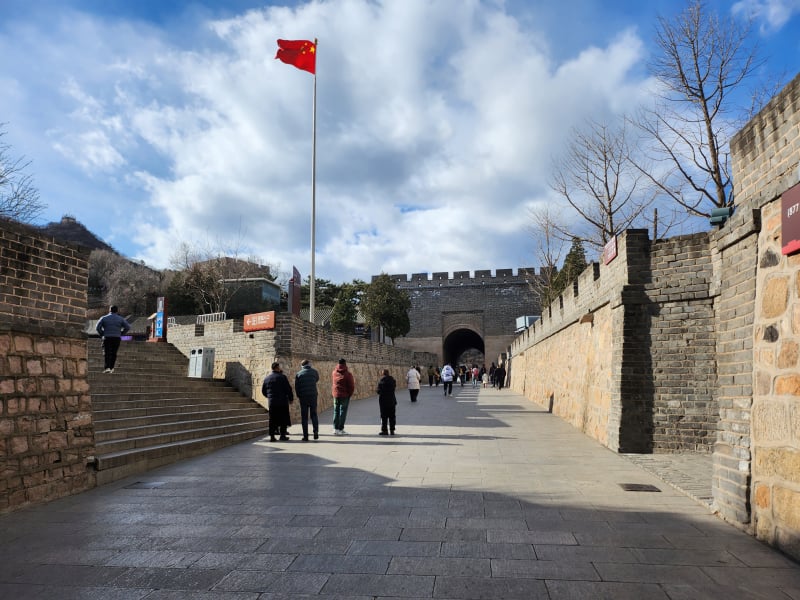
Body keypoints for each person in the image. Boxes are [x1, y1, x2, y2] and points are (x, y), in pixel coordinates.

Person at [262, 362, 293, 441]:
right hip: (282, 401)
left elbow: (263, 391)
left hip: (272, 402)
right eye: (279, 367)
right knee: (283, 418)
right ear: (277, 368)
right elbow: (288, 389)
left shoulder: (267, 378)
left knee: (272, 419)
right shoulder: (282, 377)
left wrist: (269, 397)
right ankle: (282, 435)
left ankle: (272, 436)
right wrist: (291, 398)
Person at [95, 305, 131, 374]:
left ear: (109, 310)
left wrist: (102, 334)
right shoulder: (121, 319)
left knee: (107, 352)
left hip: (107, 337)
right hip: (116, 338)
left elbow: (97, 327)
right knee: (114, 353)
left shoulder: (104, 318)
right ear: (117, 311)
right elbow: (128, 327)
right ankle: (112, 368)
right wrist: (121, 333)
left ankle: (107, 367)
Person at [294, 359, 320, 441]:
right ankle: (315, 432)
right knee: (314, 415)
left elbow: (296, 387)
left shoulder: (298, 374)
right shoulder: (314, 372)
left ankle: (305, 436)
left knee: (304, 417)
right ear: (309, 364)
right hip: (313, 396)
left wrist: (299, 395)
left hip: (303, 397)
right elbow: (316, 379)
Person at [332, 358, 355, 435]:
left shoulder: (334, 373)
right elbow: (351, 386)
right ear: (345, 364)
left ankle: (335, 428)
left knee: (336, 411)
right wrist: (349, 394)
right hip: (344, 395)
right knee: (343, 411)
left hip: (336, 394)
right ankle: (340, 428)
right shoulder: (348, 374)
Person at [377, 369, 397, 435]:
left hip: (383, 402)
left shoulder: (381, 381)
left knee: (384, 417)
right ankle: (392, 430)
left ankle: (385, 430)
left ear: (383, 374)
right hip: (392, 401)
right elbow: (394, 388)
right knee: (392, 416)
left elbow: (378, 391)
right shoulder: (393, 381)